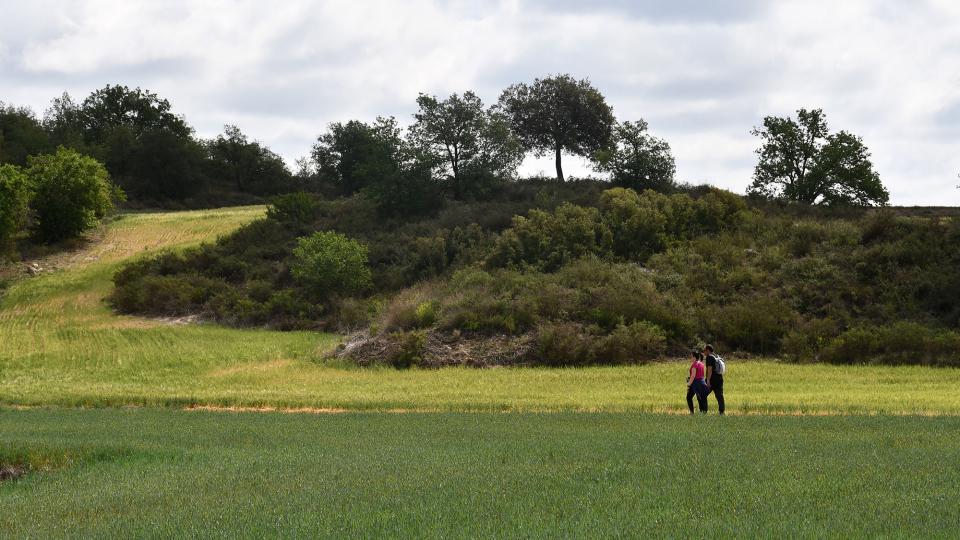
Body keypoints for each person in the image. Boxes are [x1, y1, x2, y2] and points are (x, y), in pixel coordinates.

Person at [703, 344, 725, 415]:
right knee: (719, 396)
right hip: (719, 378)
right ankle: (721, 412)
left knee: (702, 394)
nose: (704, 352)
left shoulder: (709, 357)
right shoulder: (716, 356)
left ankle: (704, 411)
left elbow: (710, 370)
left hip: (712, 379)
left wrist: (708, 380)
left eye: (704, 350)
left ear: (708, 351)